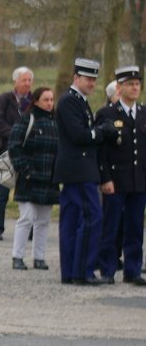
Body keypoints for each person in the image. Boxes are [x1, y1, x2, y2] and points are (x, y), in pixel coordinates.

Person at [54, 58, 117, 286]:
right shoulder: (70, 101)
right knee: (92, 217)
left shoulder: (78, 101)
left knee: (71, 220)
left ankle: (71, 272)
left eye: (94, 79)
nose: (92, 83)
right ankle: (83, 271)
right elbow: (79, 135)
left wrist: (96, 132)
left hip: (76, 169)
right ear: (76, 78)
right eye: (88, 79)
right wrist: (101, 132)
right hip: (79, 170)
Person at [95, 66, 146, 285]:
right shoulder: (107, 114)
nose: (135, 88)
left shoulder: (143, 113)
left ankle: (133, 270)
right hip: (115, 180)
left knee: (135, 227)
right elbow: (101, 152)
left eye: (137, 84)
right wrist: (105, 178)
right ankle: (107, 269)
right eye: (130, 84)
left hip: (138, 180)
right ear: (119, 87)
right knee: (111, 226)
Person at [7, 87, 59, 271]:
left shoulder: (56, 123)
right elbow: (14, 146)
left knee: (44, 221)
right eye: (46, 99)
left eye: (52, 99)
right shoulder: (27, 120)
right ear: (36, 101)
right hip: (29, 178)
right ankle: (17, 256)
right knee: (27, 218)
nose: (50, 103)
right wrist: (25, 170)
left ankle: (39, 257)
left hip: (49, 179)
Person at [0, 67, 33, 240]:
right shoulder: (4, 99)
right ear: (15, 81)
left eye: (29, 80)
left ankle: (29, 230)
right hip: (7, 152)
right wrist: (15, 134)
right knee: (2, 190)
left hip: (28, 152)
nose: (27, 83)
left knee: (28, 193)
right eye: (24, 80)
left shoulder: (35, 101)